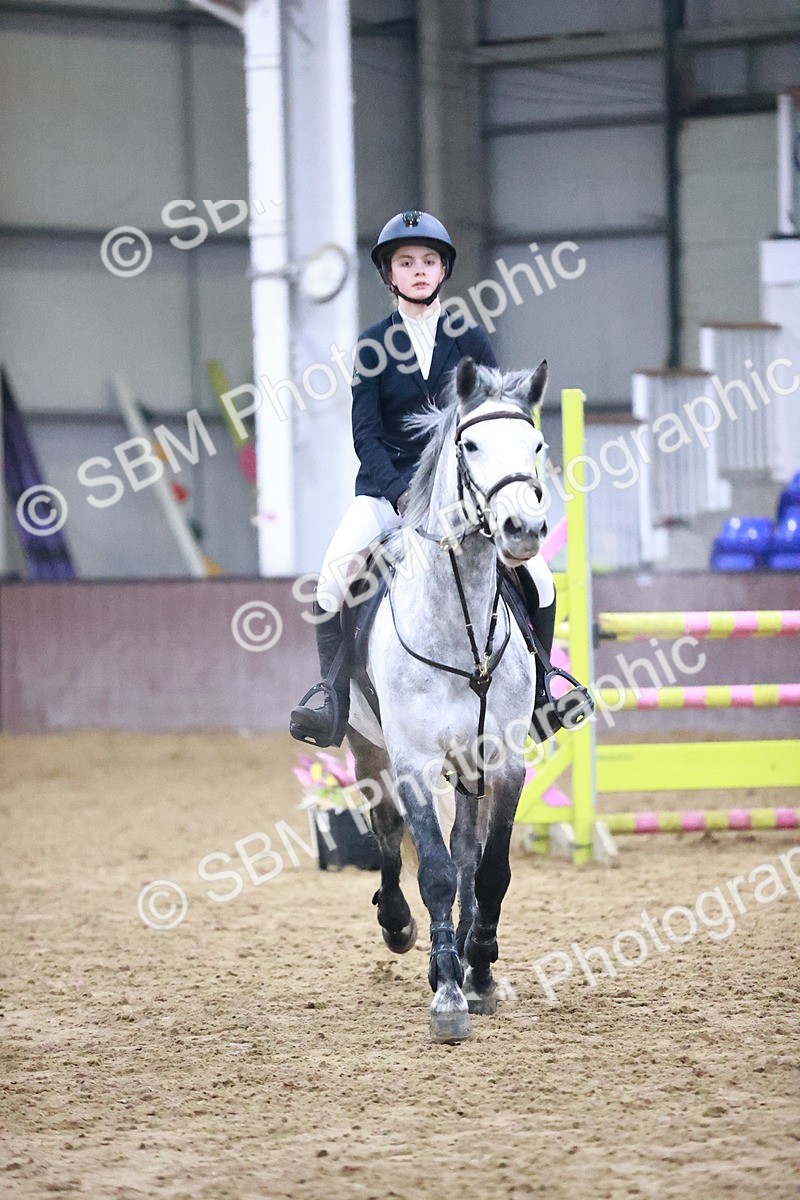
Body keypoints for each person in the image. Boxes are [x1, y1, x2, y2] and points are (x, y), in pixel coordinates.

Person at [289, 209, 558, 748]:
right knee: (330, 580)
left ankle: (543, 691)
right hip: (388, 495)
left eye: (428, 261)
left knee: (542, 580)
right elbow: (365, 432)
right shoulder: (371, 345)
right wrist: (398, 491)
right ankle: (332, 697)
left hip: (461, 499)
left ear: (443, 271)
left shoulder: (470, 340)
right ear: (390, 274)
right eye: (405, 262)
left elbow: (494, 416)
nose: (417, 270)